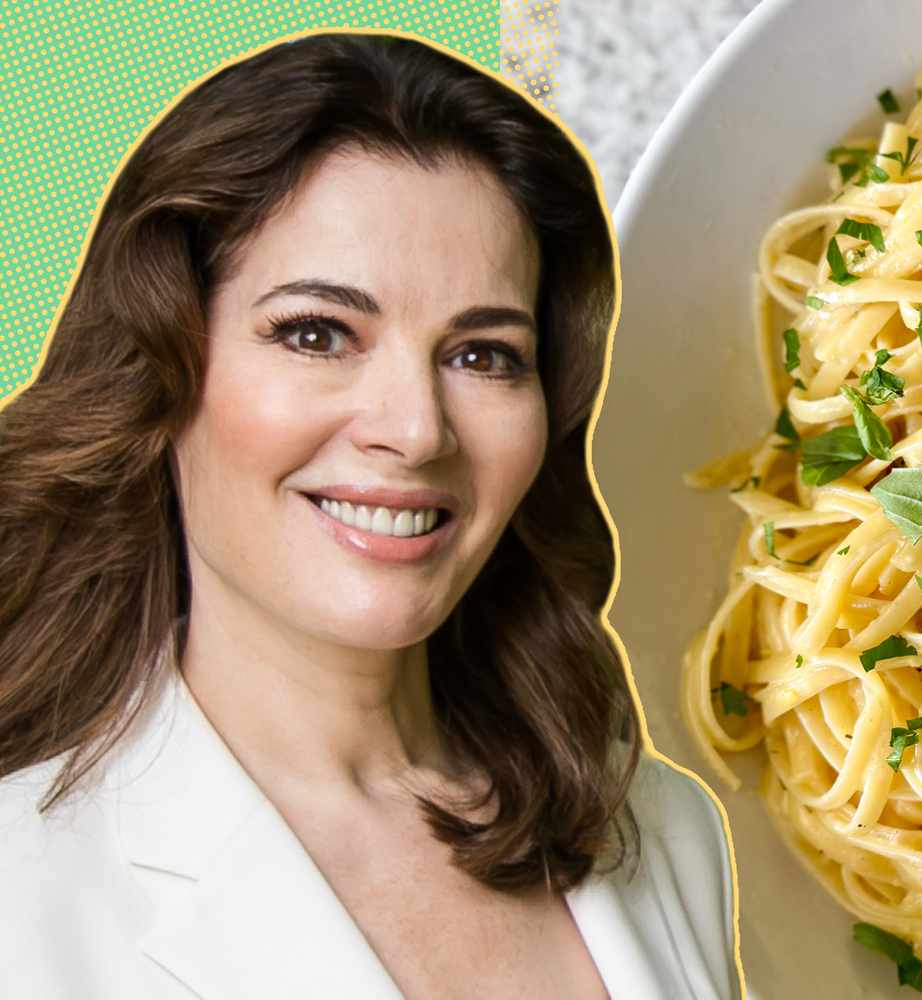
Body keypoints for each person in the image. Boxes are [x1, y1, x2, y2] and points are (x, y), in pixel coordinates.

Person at [0, 30, 738, 1000]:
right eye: (317, 333)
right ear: (164, 370)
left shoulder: (661, 824)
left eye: (483, 354)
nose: (415, 429)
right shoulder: (24, 897)